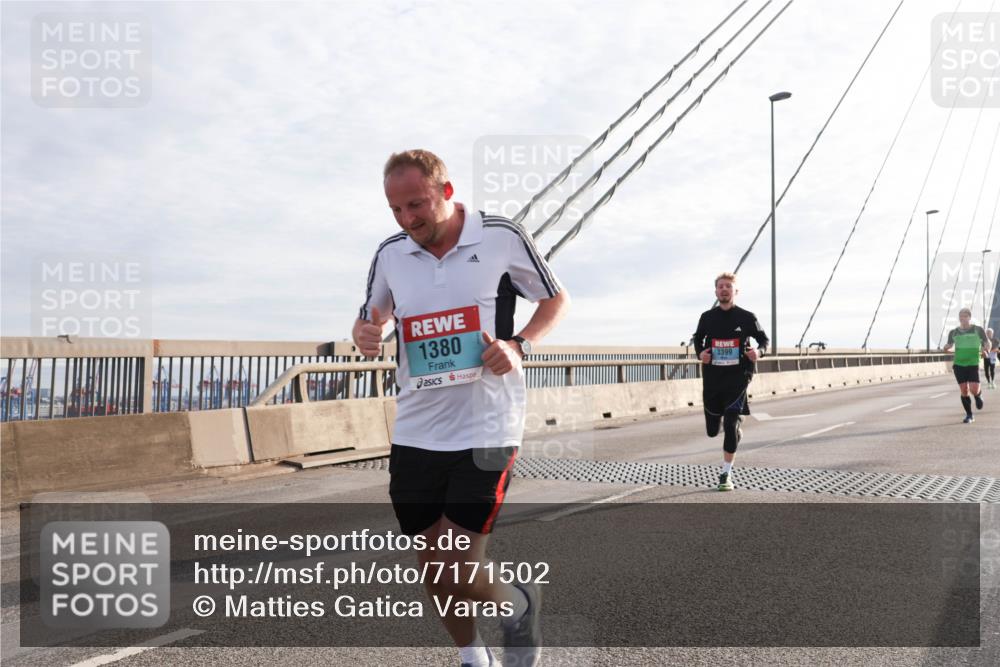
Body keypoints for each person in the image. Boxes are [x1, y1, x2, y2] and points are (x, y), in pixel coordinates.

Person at [353, 149, 569, 667]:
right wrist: (366, 332)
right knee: (431, 564)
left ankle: (518, 603)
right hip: (416, 429)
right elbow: (372, 317)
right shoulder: (390, 253)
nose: (408, 219)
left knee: (455, 561)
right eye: (397, 209)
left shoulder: (500, 236)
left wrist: (519, 344)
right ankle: (472, 655)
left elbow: (555, 299)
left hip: (486, 427)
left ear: (446, 192)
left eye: (417, 204)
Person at [693, 272, 769, 491]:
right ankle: (734, 431)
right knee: (712, 430)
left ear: (736, 291)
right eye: (720, 287)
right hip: (713, 380)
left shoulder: (747, 317)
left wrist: (759, 352)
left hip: (738, 379)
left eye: (728, 286)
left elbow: (764, 340)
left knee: (730, 422)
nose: (724, 289)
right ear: (716, 291)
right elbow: (697, 340)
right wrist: (700, 354)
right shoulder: (707, 317)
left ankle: (725, 474)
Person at [942, 308, 990, 423]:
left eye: (964, 316)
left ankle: (978, 395)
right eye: (960, 316)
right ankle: (969, 415)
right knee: (964, 390)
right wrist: (946, 347)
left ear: (969, 317)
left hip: (973, 363)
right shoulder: (953, 332)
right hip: (959, 364)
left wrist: (986, 350)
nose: (962, 319)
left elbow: (987, 342)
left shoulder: (978, 330)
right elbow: (949, 344)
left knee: (974, 389)